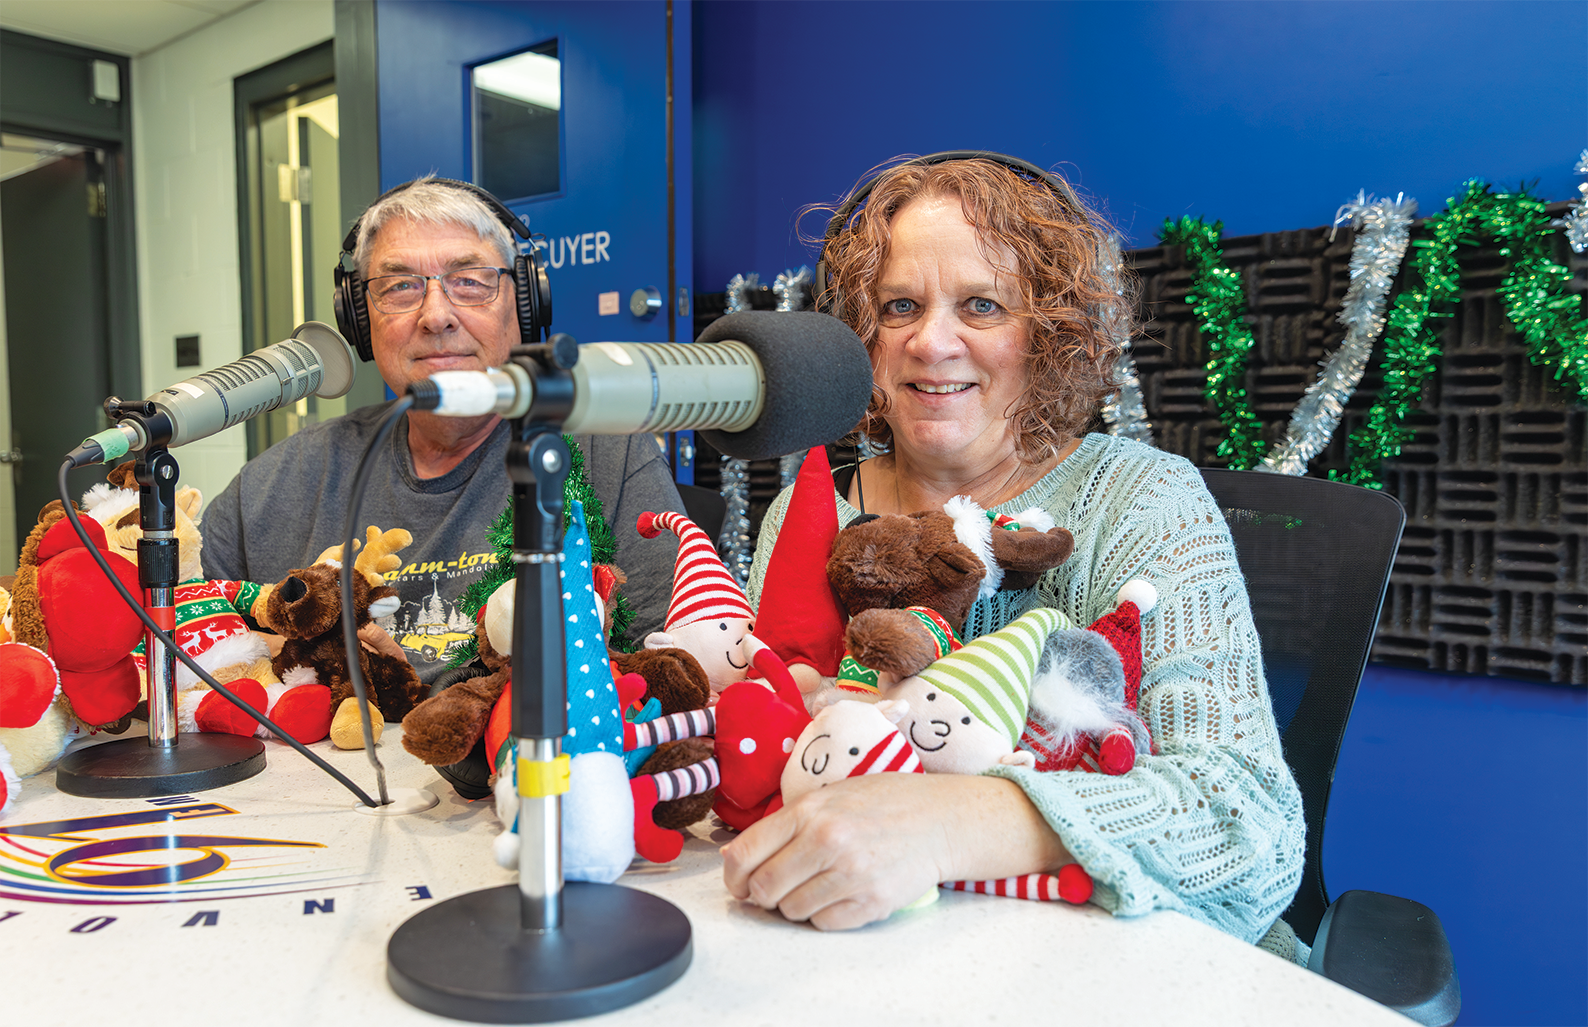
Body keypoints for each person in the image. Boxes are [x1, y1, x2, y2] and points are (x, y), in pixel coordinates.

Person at [723, 156, 1306, 960]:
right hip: (878, 956)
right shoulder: (811, 507)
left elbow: (1251, 826)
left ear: (1049, 333)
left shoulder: (1142, 501)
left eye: (981, 305)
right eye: (900, 306)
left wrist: (953, 823)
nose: (931, 341)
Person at [201, 177, 683, 687]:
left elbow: (678, 669)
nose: (436, 316)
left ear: (523, 308)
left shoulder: (605, 453)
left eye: (471, 281)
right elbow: (169, 642)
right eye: (400, 286)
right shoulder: (271, 488)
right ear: (361, 320)